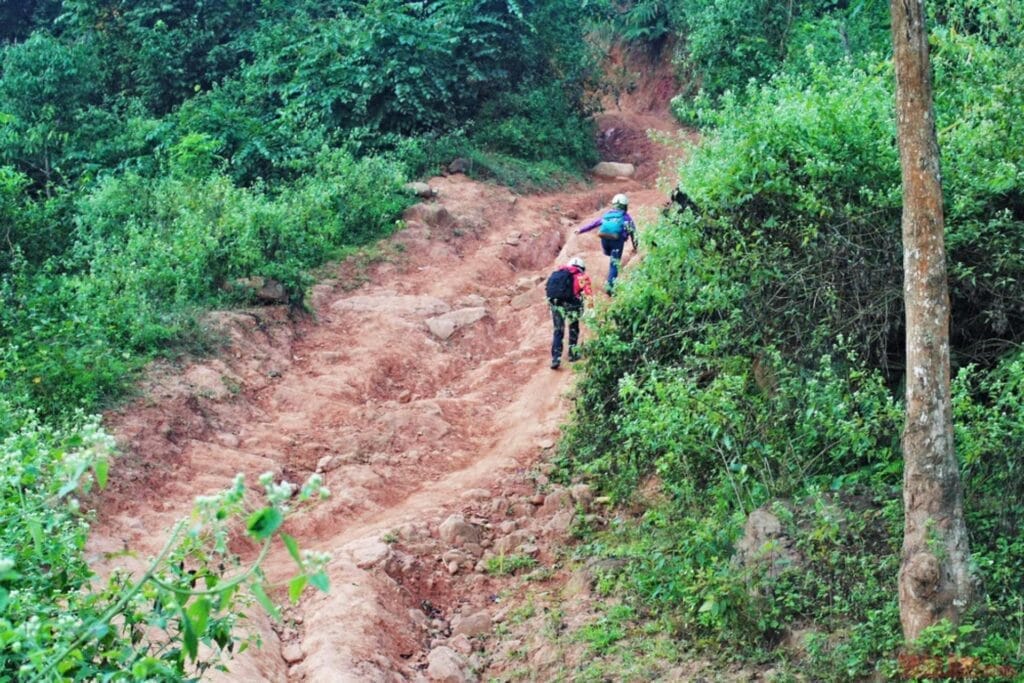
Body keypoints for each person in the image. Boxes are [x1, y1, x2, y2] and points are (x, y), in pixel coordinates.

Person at [576, 193, 637, 295]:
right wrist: (635, 246)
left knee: (609, 253)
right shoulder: (626, 217)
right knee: (614, 264)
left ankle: (609, 253)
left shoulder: (608, 215)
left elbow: (594, 223)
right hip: (617, 241)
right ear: (625, 206)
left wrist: (581, 230)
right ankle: (610, 288)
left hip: (604, 241)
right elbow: (633, 232)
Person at [545, 256, 593, 369]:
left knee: (558, 330)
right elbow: (588, 295)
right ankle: (572, 354)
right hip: (571, 304)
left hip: (556, 304)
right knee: (573, 328)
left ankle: (556, 358)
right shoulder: (582, 276)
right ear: (582, 267)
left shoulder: (559, 272)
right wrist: (590, 310)